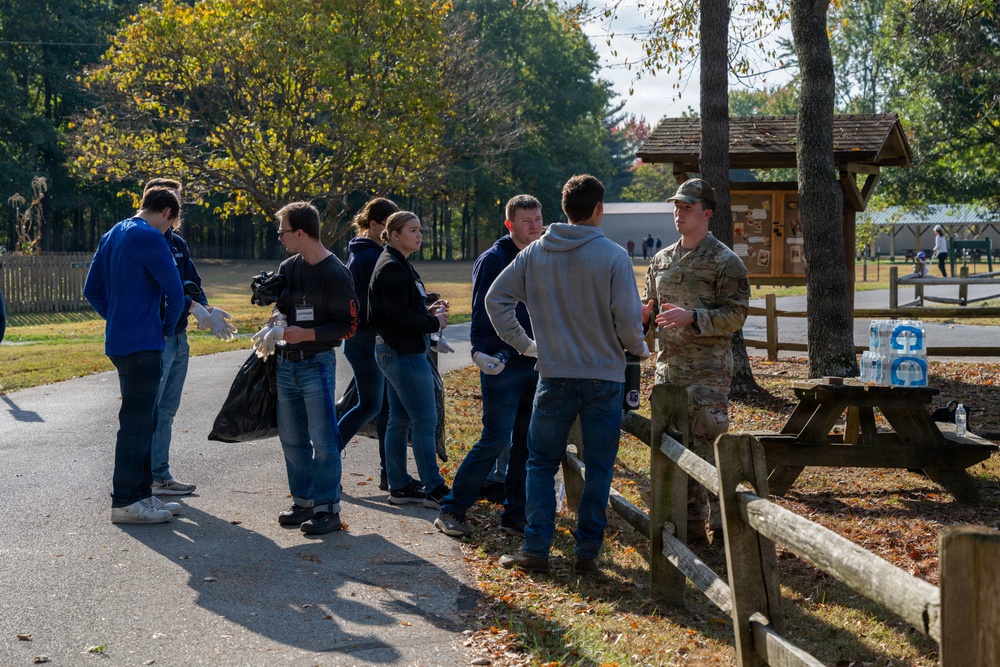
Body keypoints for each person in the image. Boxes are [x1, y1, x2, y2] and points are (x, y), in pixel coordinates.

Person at [486, 174, 649, 573]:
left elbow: (496, 299)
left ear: (564, 210)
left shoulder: (535, 253)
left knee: (540, 463)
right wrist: (640, 349)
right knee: (600, 467)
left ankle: (535, 549)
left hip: (554, 374)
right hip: (604, 377)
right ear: (599, 209)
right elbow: (628, 321)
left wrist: (526, 345)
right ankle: (587, 553)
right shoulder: (614, 256)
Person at [641, 178, 750, 548]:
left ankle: (724, 532)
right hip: (669, 373)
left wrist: (694, 317)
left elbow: (736, 315)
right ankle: (689, 528)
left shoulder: (725, 261)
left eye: (687, 207)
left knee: (708, 453)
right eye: (676, 207)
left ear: (707, 214)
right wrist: (643, 317)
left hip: (707, 376)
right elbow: (650, 308)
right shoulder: (661, 260)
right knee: (672, 450)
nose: (679, 213)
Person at [435, 195, 543, 540]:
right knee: (495, 439)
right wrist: (478, 352)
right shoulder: (493, 259)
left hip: (537, 364)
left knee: (526, 444)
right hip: (503, 365)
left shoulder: (542, 256)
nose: (535, 226)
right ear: (510, 224)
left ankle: (515, 514)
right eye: (526, 221)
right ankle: (452, 509)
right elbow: (482, 310)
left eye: (538, 219)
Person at [84, 186, 186, 524]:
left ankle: (142, 495)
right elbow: (176, 293)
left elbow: (91, 290)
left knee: (144, 419)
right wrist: (166, 328)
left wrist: (117, 317)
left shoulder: (112, 234)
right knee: (137, 423)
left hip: (120, 340)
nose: (170, 231)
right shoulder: (151, 237)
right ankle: (126, 501)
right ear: (168, 212)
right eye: (172, 224)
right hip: (144, 341)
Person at [255, 201, 358, 535]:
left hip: (317, 365)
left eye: (282, 232)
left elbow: (348, 326)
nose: (280, 238)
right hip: (286, 365)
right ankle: (304, 502)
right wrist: (276, 320)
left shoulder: (336, 273)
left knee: (323, 440)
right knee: (291, 438)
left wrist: (308, 334)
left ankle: (328, 509)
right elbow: (281, 306)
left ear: (300, 232)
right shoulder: (289, 266)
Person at [144, 178, 237, 497]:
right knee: (149, 409)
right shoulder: (143, 241)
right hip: (155, 336)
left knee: (167, 410)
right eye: (172, 204)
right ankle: (141, 479)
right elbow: (157, 290)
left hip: (178, 336)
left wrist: (207, 309)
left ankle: (160, 475)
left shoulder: (178, 245)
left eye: (178, 202)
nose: (176, 211)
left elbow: (191, 283)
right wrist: (192, 306)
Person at [369, 211, 451, 509]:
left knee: (400, 419)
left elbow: (401, 310)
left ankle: (400, 485)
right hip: (402, 353)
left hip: (396, 350)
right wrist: (432, 323)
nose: (419, 235)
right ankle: (434, 488)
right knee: (425, 420)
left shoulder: (399, 263)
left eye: (420, 230)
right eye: (412, 230)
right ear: (394, 235)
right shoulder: (391, 267)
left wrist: (428, 311)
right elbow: (397, 317)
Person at [337, 197, 397, 490]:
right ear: (373, 225)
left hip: (369, 339)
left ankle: (390, 474)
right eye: (388, 226)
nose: (393, 233)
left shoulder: (371, 252)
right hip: (364, 340)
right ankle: (323, 458)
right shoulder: (368, 257)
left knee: (385, 408)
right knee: (370, 405)